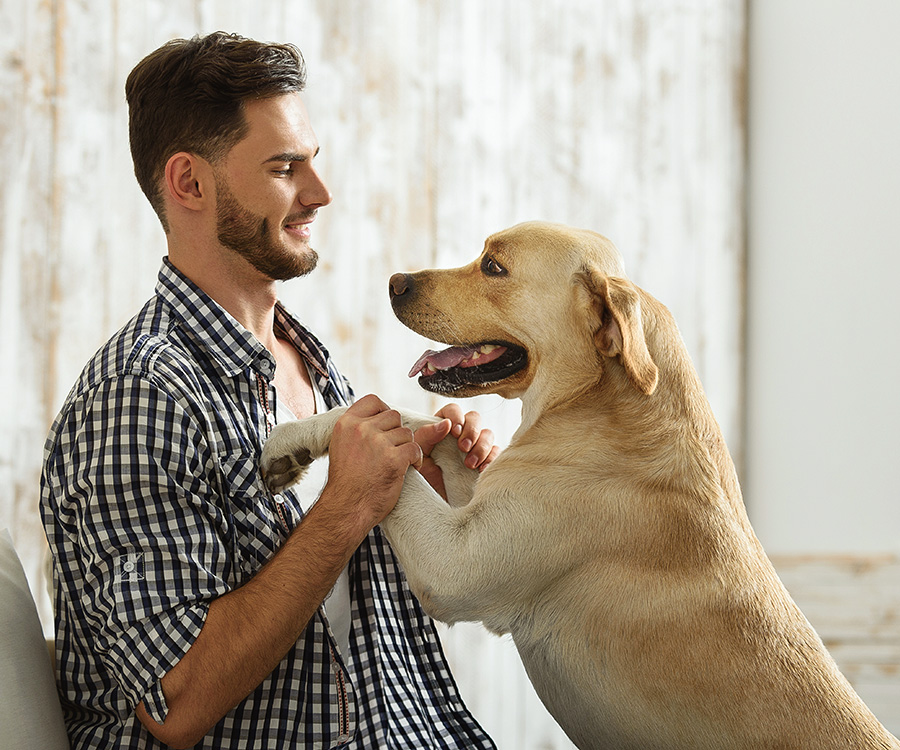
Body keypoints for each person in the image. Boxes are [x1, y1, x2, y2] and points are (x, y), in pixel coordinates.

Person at [40, 31, 498, 750]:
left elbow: (345, 628)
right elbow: (176, 701)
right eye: (285, 168)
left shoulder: (311, 364)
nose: (320, 193)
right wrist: (346, 507)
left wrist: (430, 506)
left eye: (312, 162)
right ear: (189, 184)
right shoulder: (139, 395)